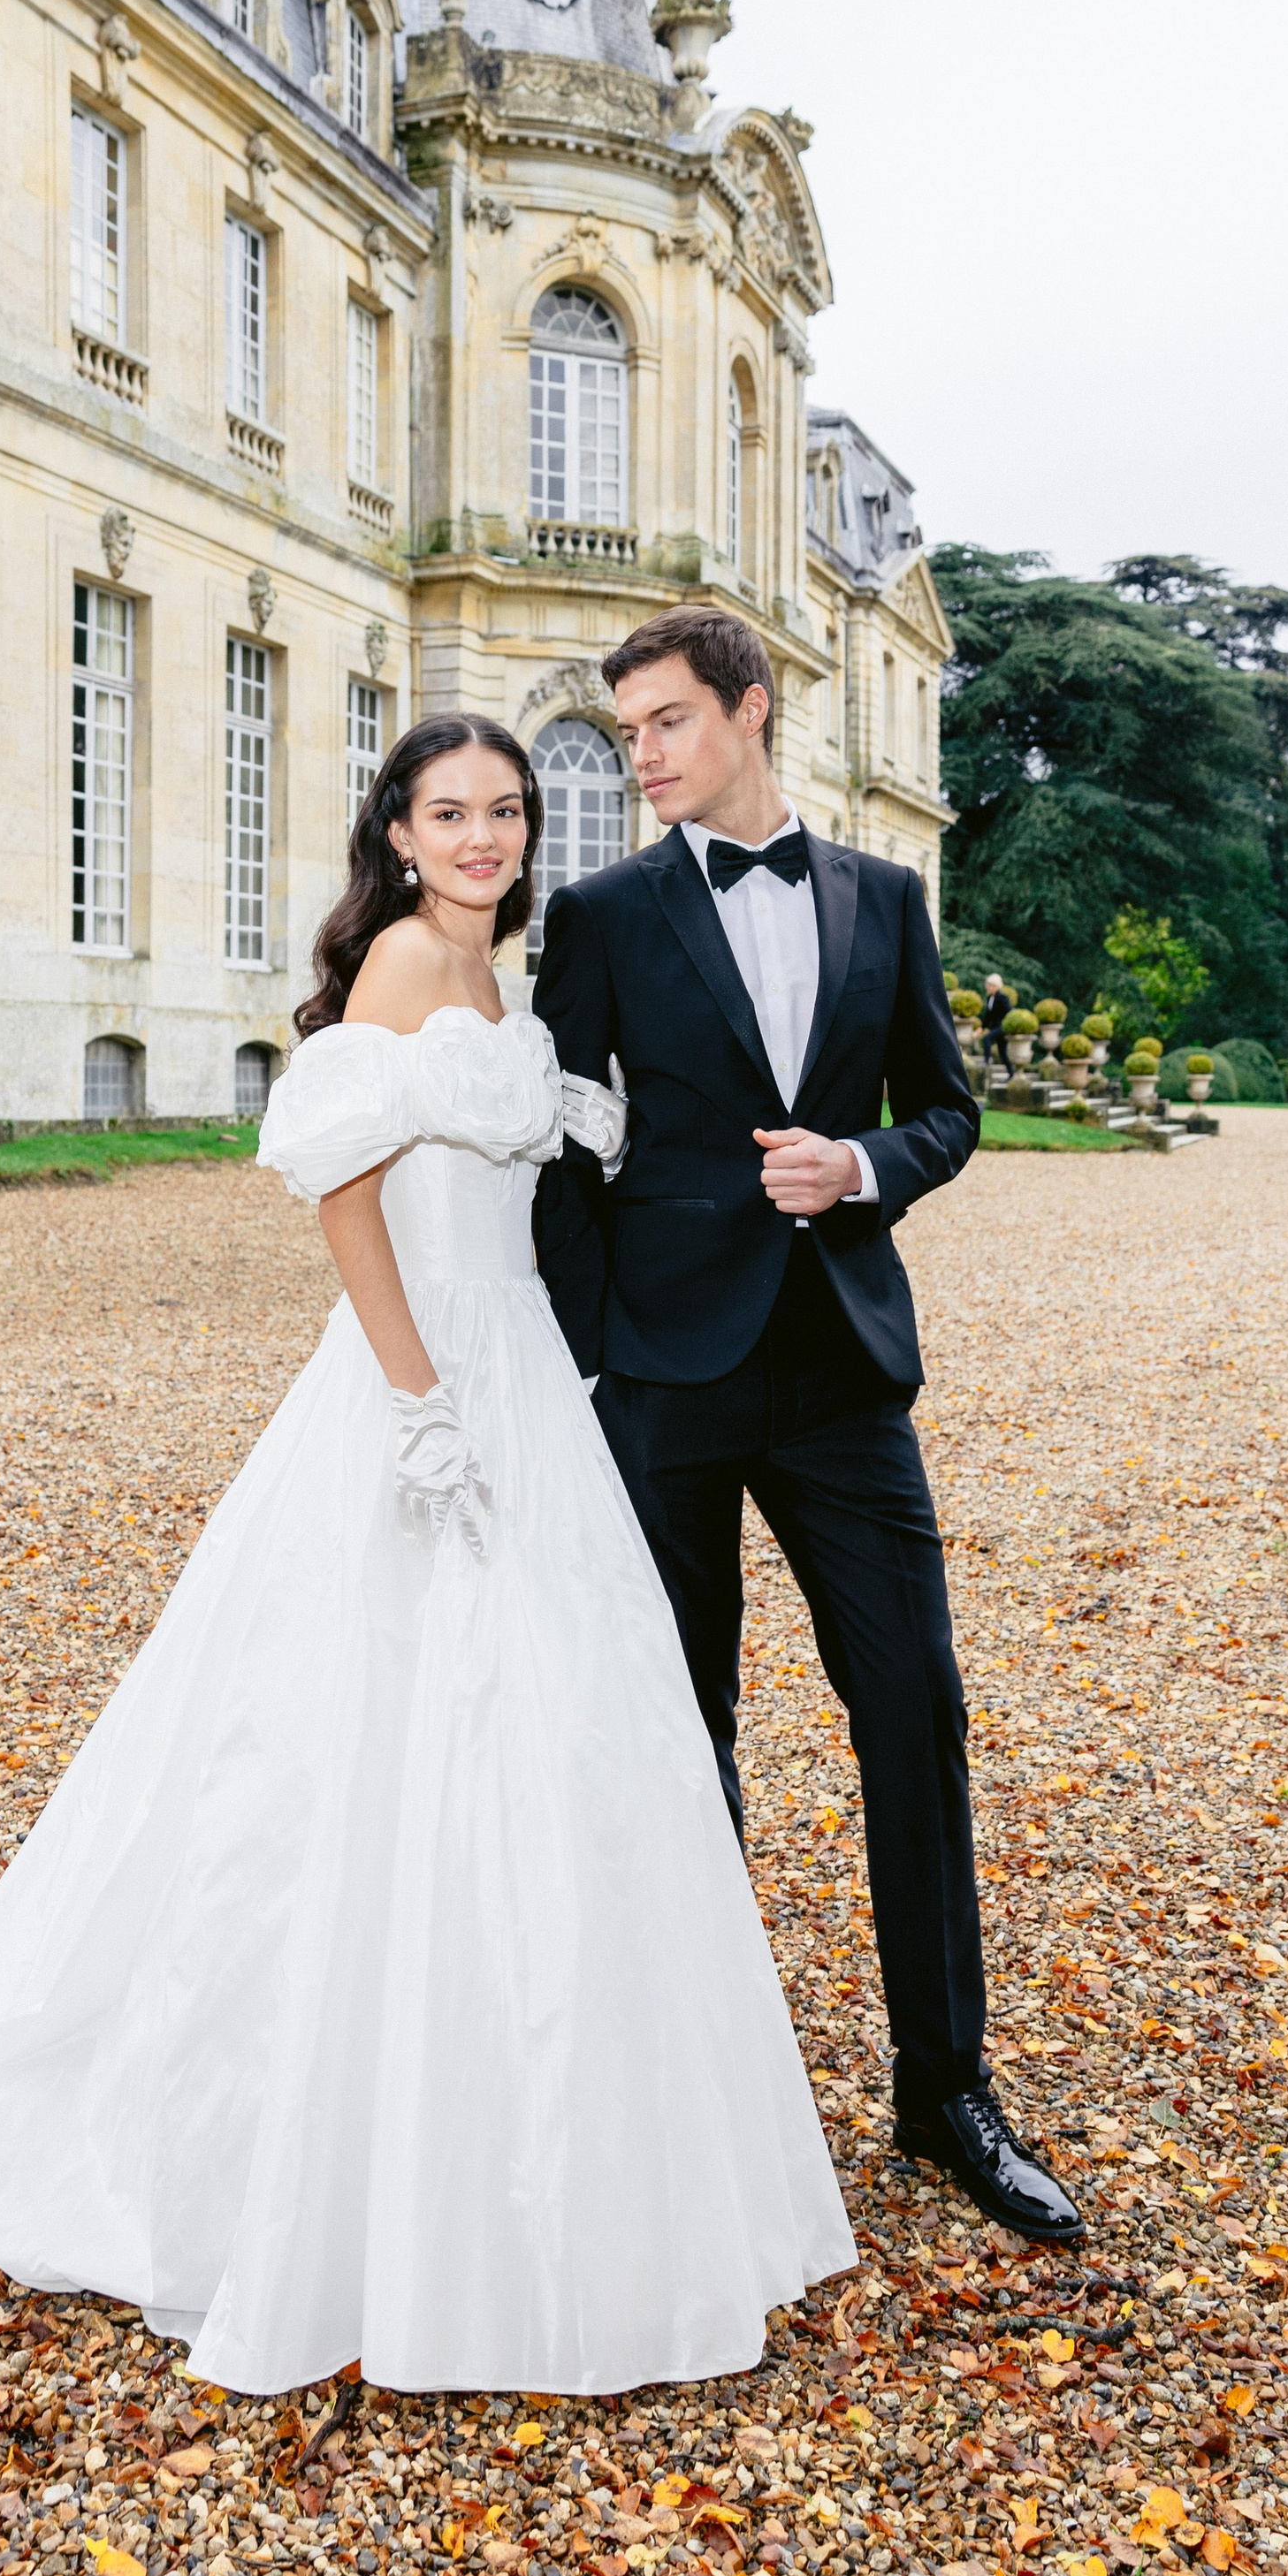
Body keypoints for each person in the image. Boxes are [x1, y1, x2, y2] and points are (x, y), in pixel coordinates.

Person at [0, 714, 854, 2394]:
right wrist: (417, 1402)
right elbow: (347, 1192)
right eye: (451, 813)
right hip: (423, 1377)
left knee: (564, 1729)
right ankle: (348, 2147)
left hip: (528, 1380)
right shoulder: (407, 970)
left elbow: (528, 1154)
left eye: (506, 811)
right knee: (373, 1736)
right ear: (401, 834)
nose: (486, 837)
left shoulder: (506, 981)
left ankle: (558, 2122)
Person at [530, 608, 1083, 2249]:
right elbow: (562, 1149)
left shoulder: (885, 898)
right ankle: (688, 2097)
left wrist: (859, 1169)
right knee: (678, 1732)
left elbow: (951, 1108)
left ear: (752, 711)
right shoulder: (601, 913)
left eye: (668, 722)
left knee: (913, 1705)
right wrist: (585, 1363)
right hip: (667, 1377)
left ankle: (946, 2093)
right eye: (627, 730)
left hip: (844, 1371)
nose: (641, 756)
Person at [981, 974, 1014, 1075]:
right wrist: (981, 1028)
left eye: (990, 985)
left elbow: (1010, 1012)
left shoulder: (1002, 997)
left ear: (995, 986)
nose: (988, 988)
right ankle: (1011, 1074)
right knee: (1003, 1053)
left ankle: (986, 1062)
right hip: (995, 1027)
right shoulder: (990, 998)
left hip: (1002, 1027)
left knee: (987, 1038)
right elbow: (988, 1016)